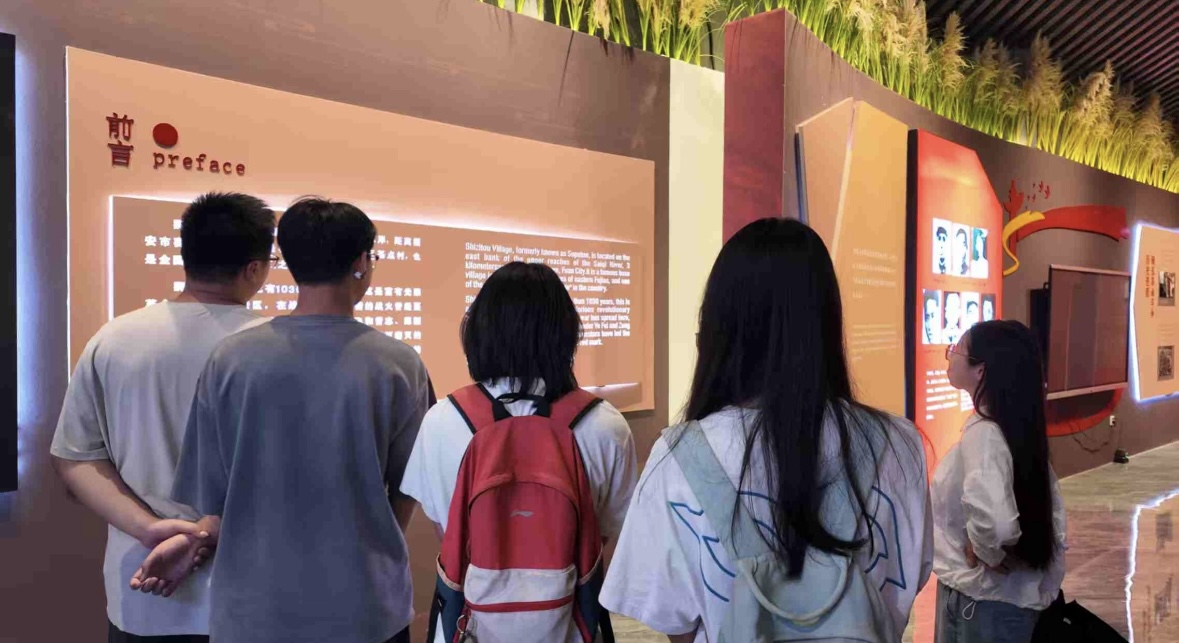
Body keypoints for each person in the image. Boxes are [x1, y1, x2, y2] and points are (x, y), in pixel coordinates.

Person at [600, 218, 932, 642]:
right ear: (826, 320)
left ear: (719, 327)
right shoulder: (900, 445)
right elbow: (906, 585)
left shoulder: (679, 457)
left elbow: (676, 624)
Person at [168, 198, 431, 643]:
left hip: (254, 610)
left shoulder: (230, 359)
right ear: (361, 263)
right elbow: (410, 484)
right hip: (363, 606)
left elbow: (209, 493)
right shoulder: (399, 364)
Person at [50, 192, 275, 642]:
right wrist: (206, 532)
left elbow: (75, 460)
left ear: (186, 254)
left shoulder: (113, 340)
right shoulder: (277, 348)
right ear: (255, 269)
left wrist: (152, 529)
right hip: (254, 596)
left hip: (143, 587)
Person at [400, 261, 638, 643]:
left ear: (478, 331)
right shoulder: (606, 425)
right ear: (566, 334)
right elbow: (603, 536)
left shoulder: (442, 420)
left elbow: (447, 532)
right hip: (569, 625)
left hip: (468, 627)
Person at [935, 320, 1066, 643]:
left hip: (983, 603)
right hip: (1012, 600)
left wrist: (988, 552)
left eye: (956, 350)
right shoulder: (1016, 428)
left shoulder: (984, 433)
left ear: (980, 370)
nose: (949, 356)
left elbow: (998, 525)